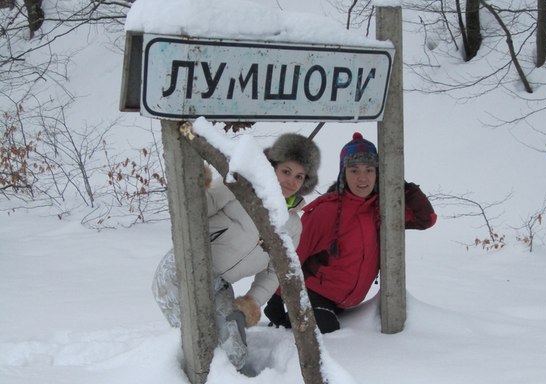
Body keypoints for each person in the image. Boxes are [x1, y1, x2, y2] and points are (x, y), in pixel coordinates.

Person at [152, 132, 320, 368]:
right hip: (182, 268)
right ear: (271, 166)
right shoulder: (239, 187)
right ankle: (182, 382)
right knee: (199, 338)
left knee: (234, 350)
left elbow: (274, 271)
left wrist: (252, 302)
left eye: (299, 176)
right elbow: (198, 210)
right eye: (286, 171)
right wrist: (197, 185)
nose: (291, 181)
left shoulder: (291, 226)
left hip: (219, 285)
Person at [263, 131, 436, 334]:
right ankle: (286, 329)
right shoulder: (325, 211)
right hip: (314, 294)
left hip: (344, 304)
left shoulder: (382, 210)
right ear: (343, 173)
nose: (362, 178)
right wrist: (276, 298)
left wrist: (399, 183)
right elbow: (294, 254)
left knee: (331, 326)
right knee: (327, 330)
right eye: (354, 170)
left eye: (369, 170)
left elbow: (426, 219)